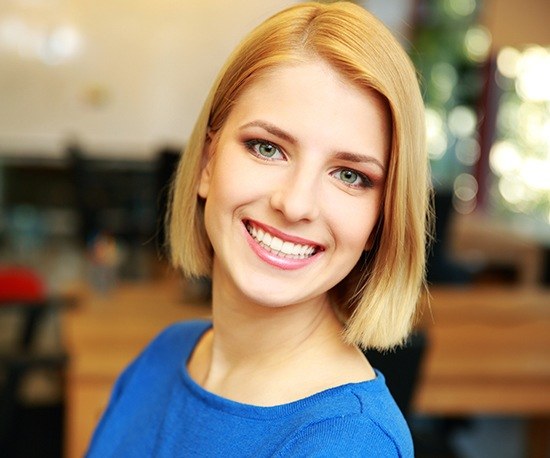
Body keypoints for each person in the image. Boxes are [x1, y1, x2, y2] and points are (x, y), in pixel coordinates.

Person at [87, 2, 430, 456]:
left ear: (379, 221)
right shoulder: (164, 355)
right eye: (267, 147)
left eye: (350, 175)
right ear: (208, 163)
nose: (295, 203)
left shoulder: (351, 442)